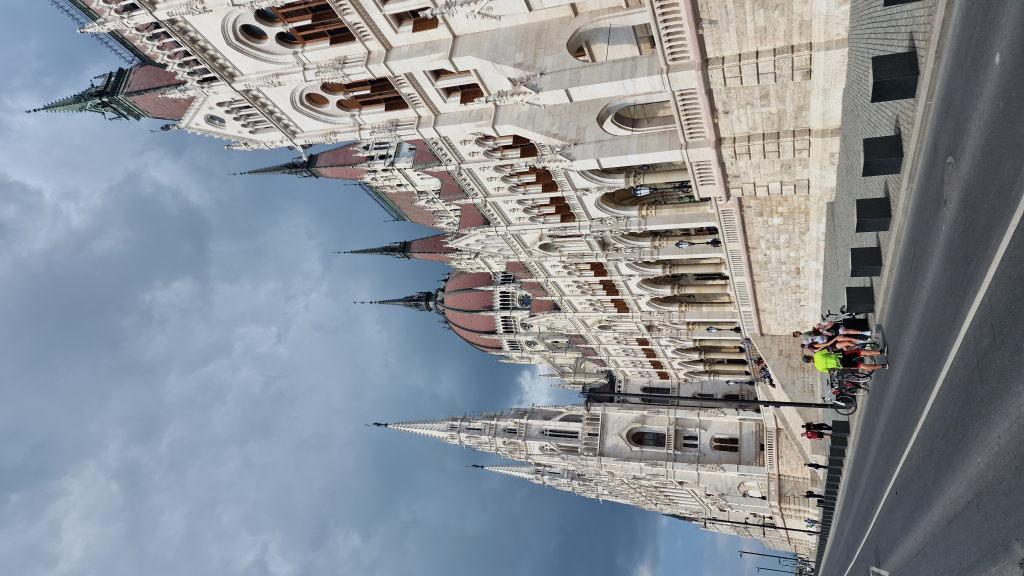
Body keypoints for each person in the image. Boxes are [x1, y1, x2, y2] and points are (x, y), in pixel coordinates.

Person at [803, 348, 887, 373]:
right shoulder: (817, 355)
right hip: (841, 356)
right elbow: (829, 350)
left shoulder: (818, 368)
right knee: (860, 352)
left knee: (861, 366)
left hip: (842, 365)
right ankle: (880, 352)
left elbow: (831, 371)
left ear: (809, 362)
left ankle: (882, 366)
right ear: (809, 356)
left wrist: (835, 367)